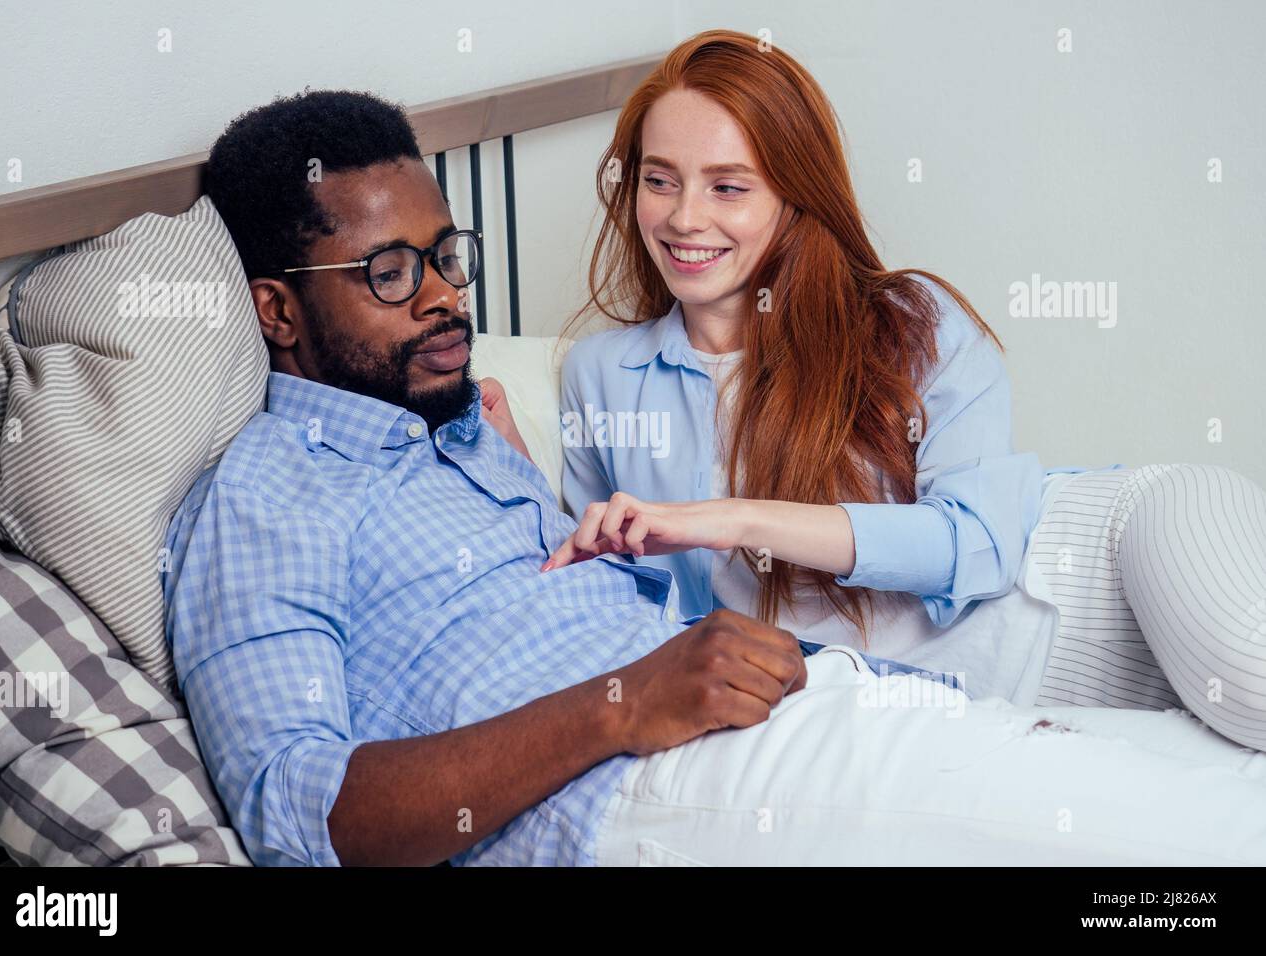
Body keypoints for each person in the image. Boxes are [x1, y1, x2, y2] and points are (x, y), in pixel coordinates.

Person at [164, 87, 1266, 869]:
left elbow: (965, 543)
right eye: (389, 274)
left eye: (448, 258)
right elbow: (297, 813)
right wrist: (621, 701)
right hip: (685, 769)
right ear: (275, 310)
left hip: (949, 647)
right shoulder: (264, 500)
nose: (445, 300)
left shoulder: (466, 438)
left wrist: (529, 468)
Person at [554, 29, 1266, 751]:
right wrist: (517, 484)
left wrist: (734, 518)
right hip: (1015, 713)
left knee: (1256, 691)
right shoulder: (600, 376)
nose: (683, 217)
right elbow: (608, 605)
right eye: (659, 179)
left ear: (795, 197)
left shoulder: (905, 321)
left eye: (728, 186)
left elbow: (976, 545)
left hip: (1108, 568)